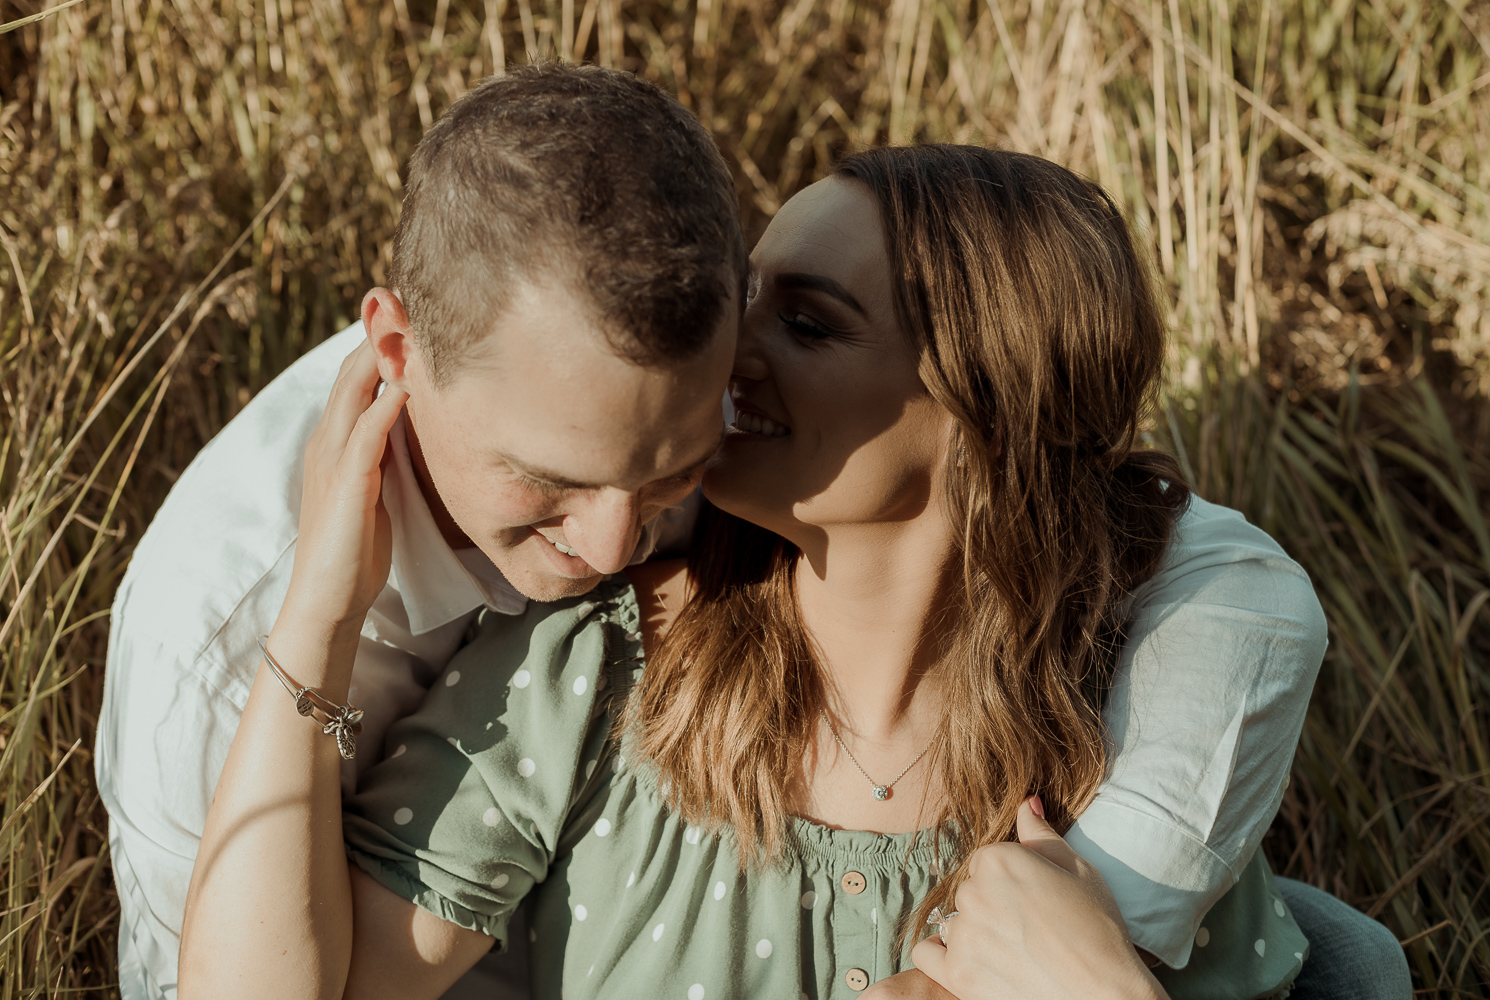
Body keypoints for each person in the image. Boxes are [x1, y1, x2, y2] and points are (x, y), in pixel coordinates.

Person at [97, 65, 1407, 1000]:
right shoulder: (579, 680)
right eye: (757, 305)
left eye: (806, 320)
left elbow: (1242, 582)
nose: (729, 372)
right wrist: (319, 610)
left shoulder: (1133, 743)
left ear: (985, 412)